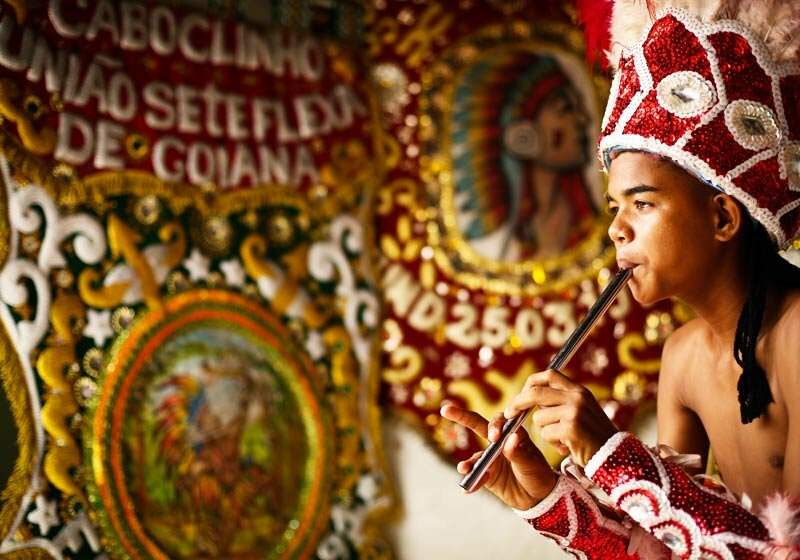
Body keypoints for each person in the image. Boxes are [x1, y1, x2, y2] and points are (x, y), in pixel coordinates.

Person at [441, 1, 800, 558]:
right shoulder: (682, 357)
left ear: (723, 218)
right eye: (615, 207)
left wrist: (611, 455)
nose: (616, 229)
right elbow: (664, 550)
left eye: (642, 203)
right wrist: (546, 498)